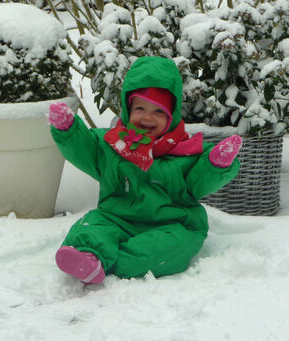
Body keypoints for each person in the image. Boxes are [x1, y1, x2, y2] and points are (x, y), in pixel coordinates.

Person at [48, 56, 242, 285]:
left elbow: (200, 180)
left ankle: (111, 265)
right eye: (140, 108)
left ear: (172, 116)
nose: (148, 117)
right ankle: (88, 255)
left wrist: (216, 163)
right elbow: (85, 148)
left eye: (159, 111)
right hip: (116, 218)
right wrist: (68, 130)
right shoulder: (113, 145)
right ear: (128, 109)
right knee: (92, 226)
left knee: (171, 246)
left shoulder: (187, 151)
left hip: (172, 224)